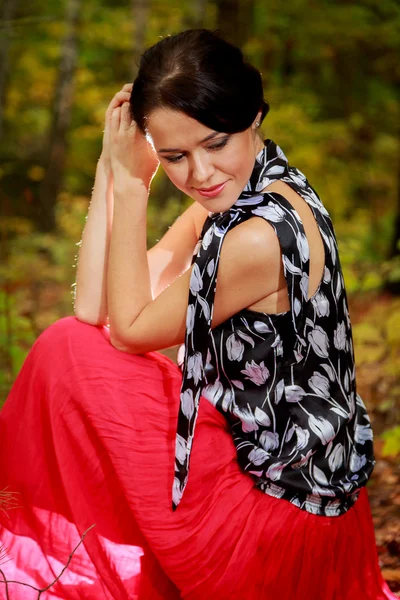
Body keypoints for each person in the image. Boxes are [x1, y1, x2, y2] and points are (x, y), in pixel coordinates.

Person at [0, 29, 396, 600]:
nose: (200, 174)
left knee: (68, 352)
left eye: (216, 143)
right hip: (268, 480)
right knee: (69, 342)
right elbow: (96, 308)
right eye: (174, 156)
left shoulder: (259, 237)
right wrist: (112, 170)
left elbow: (130, 330)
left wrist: (135, 188)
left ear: (254, 117)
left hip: (274, 522)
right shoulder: (243, 195)